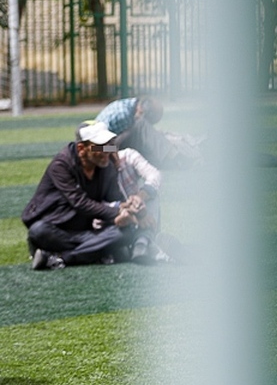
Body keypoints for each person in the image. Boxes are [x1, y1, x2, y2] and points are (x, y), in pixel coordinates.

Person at [23, 121, 143, 270]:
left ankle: (58, 258)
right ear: (81, 148)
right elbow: (80, 202)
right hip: (57, 228)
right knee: (37, 231)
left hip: (88, 230)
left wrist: (130, 207)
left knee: (124, 234)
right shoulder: (61, 165)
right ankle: (99, 251)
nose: (107, 151)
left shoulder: (106, 165)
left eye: (108, 145)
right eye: (100, 146)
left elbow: (115, 199)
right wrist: (118, 211)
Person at [98, 95, 203, 169]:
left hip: (112, 145)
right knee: (141, 126)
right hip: (103, 148)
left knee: (149, 137)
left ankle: (187, 148)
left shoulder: (131, 107)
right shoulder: (123, 115)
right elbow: (105, 145)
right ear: (142, 112)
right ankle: (179, 157)